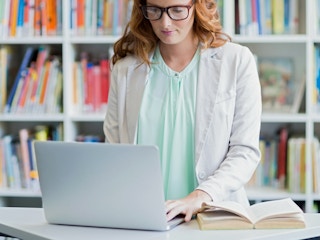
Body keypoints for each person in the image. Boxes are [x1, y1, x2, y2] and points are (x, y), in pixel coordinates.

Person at [103, 0, 261, 223]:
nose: (165, 23)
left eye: (177, 10)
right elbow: (114, 152)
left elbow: (245, 152)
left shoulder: (236, 61)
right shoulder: (125, 71)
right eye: (155, 10)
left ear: (198, 6)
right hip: (146, 220)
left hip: (214, 216)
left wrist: (200, 196)